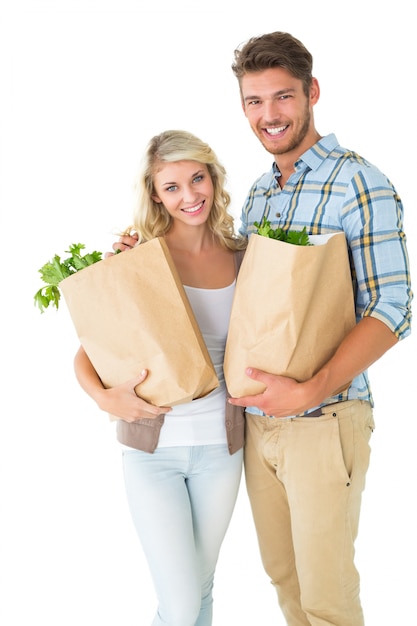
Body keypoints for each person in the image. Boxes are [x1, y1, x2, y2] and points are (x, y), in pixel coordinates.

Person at [111, 32, 413, 626]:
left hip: (324, 420)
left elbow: (395, 306)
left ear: (311, 94)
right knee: (286, 584)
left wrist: (312, 388)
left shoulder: (358, 182)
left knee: (326, 598)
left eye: (282, 97)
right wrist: (139, 262)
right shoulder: (259, 197)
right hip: (253, 427)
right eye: (255, 101)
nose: (269, 115)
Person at [74, 129, 247, 626]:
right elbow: (87, 356)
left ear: (213, 179)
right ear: (154, 193)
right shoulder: (141, 260)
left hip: (224, 449)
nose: (189, 196)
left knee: (201, 588)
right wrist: (106, 399)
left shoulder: (242, 255)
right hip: (154, 454)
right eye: (172, 187)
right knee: (179, 602)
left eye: (197, 179)